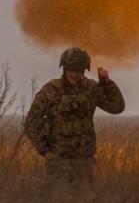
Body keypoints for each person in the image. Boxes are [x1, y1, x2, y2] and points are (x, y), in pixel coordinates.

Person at [24, 47, 125, 183]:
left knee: (84, 201)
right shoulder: (50, 90)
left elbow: (117, 107)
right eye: (71, 70)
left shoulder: (91, 89)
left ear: (84, 70)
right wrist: (45, 151)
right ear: (64, 69)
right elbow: (31, 122)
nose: (74, 74)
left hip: (83, 160)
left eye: (78, 71)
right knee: (59, 200)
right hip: (58, 160)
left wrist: (107, 83)